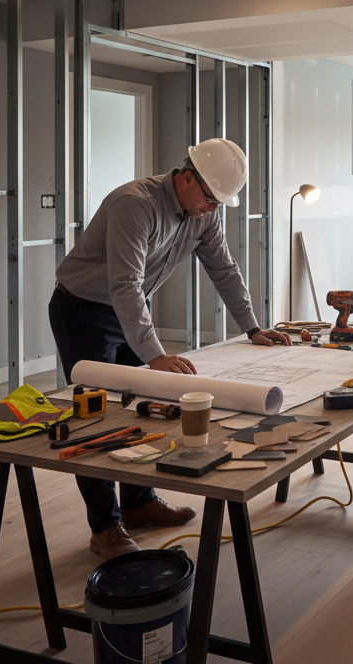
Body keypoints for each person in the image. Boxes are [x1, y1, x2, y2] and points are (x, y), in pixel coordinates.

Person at [48, 138, 290, 559]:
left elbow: (224, 269)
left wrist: (252, 327)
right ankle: (105, 527)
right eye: (210, 199)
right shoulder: (134, 204)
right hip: (83, 311)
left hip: (128, 310)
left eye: (219, 203)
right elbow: (125, 284)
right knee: (96, 417)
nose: (212, 209)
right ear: (188, 177)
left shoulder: (203, 214)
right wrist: (155, 356)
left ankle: (138, 503)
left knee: (142, 406)